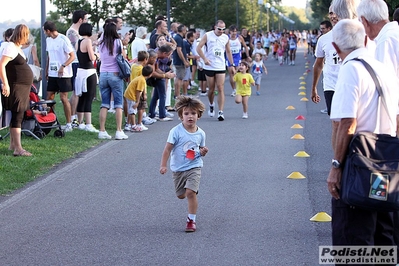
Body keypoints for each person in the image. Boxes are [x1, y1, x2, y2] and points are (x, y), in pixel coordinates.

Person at [328, 18, 399, 251]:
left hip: (358, 162)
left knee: (353, 240)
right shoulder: (384, 69)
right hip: (386, 162)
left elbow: (347, 122)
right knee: (383, 237)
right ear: (366, 39)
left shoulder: (350, 69)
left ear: (336, 48)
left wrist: (336, 166)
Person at [357, 0, 399, 260]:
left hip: (388, 130)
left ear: (364, 22)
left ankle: (386, 250)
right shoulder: (395, 33)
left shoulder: (384, 42)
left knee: (383, 194)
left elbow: (385, 92)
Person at [160, 96, 208, 232]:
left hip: (194, 166)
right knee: (181, 195)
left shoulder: (201, 134)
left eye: (193, 113)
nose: (190, 116)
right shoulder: (175, 131)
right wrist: (163, 165)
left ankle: (191, 220)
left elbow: (200, 149)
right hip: (178, 168)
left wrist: (203, 152)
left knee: (191, 192)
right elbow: (167, 149)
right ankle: (186, 195)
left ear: (198, 115)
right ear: (181, 116)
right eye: (186, 113)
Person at [0, 24, 33, 156]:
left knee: (18, 114)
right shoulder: (10, 47)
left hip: (22, 86)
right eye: (26, 35)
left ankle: (13, 144)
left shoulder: (17, 48)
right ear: (22, 35)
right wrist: (5, 84)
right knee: (17, 115)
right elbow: (2, 65)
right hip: (16, 86)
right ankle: (18, 149)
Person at [196, 20, 235, 121]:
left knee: (220, 87)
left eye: (223, 29)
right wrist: (204, 59)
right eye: (219, 29)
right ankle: (211, 104)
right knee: (211, 89)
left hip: (220, 66)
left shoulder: (226, 37)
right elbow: (199, 48)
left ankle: (221, 112)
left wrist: (232, 65)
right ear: (215, 27)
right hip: (209, 66)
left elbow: (228, 51)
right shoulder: (208, 35)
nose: (221, 31)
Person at [97, 22, 129, 140]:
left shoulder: (101, 43)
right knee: (118, 104)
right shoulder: (117, 42)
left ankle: (102, 130)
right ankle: (119, 130)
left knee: (104, 104)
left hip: (103, 74)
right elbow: (123, 56)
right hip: (115, 74)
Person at [43, 20, 76, 132]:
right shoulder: (48, 40)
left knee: (63, 98)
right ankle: (49, 121)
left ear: (48, 30)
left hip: (64, 74)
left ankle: (69, 124)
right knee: (49, 97)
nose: (44, 33)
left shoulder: (63, 39)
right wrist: (47, 69)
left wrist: (63, 66)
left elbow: (72, 56)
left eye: (44, 31)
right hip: (52, 73)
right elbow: (49, 56)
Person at [75, 22, 99, 133]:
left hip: (80, 71)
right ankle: (89, 123)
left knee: (82, 97)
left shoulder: (78, 41)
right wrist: (97, 55)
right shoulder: (87, 41)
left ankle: (80, 122)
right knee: (89, 97)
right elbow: (91, 57)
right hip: (89, 72)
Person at [66, 10, 88, 128]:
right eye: (85, 19)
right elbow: (77, 48)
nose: (86, 21)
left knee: (79, 91)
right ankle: (73, 117)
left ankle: (74, 116)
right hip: (75, 63)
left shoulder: (77, 32)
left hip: (80, 63)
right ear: (80, 20)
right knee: (76, 91)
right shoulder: (72, 32)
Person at [148, 45, 176, 121]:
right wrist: (164, 75)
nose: (168, 57)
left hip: (157, 77)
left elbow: (157, 69)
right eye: (168, 54)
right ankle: (162, 115)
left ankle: (152, 114)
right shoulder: (154, 57)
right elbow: (152, 72)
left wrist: (166, 74)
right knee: (162, 95)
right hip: (153, 78)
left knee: (156, 96)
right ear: (164, 53)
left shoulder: (157, 57)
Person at [124, 50, 149, 131]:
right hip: (139, 89)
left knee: (131, 108)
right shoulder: (141, 69)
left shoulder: (133, 66)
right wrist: (144, 93)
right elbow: (142, 81)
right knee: (140, 107)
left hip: (131, 87)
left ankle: (129, 123)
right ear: (145, 59)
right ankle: (139, 123)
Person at [227, 24, 249, 97]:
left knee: (237, 73)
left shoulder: (239, 38)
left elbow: (245, 47)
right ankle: (234, 89)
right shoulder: (226, 38)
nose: (234, 33)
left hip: (237, 57)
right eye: (233, 32)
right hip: (229, 57)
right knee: (231, 73)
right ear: (230, 32)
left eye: (235, 31)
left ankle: (240, 88)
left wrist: (248, 56)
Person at [173, 24, 189, 98]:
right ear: (182, 30)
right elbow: (179, 50)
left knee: (179, 77)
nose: (186, 31)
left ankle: (177, 94)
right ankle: (177, 94)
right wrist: (184, 61)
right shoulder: (178, 38)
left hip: (179, 61)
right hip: (179, 62)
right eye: (185, 30)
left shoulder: (178, 37)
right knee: (179, 78)